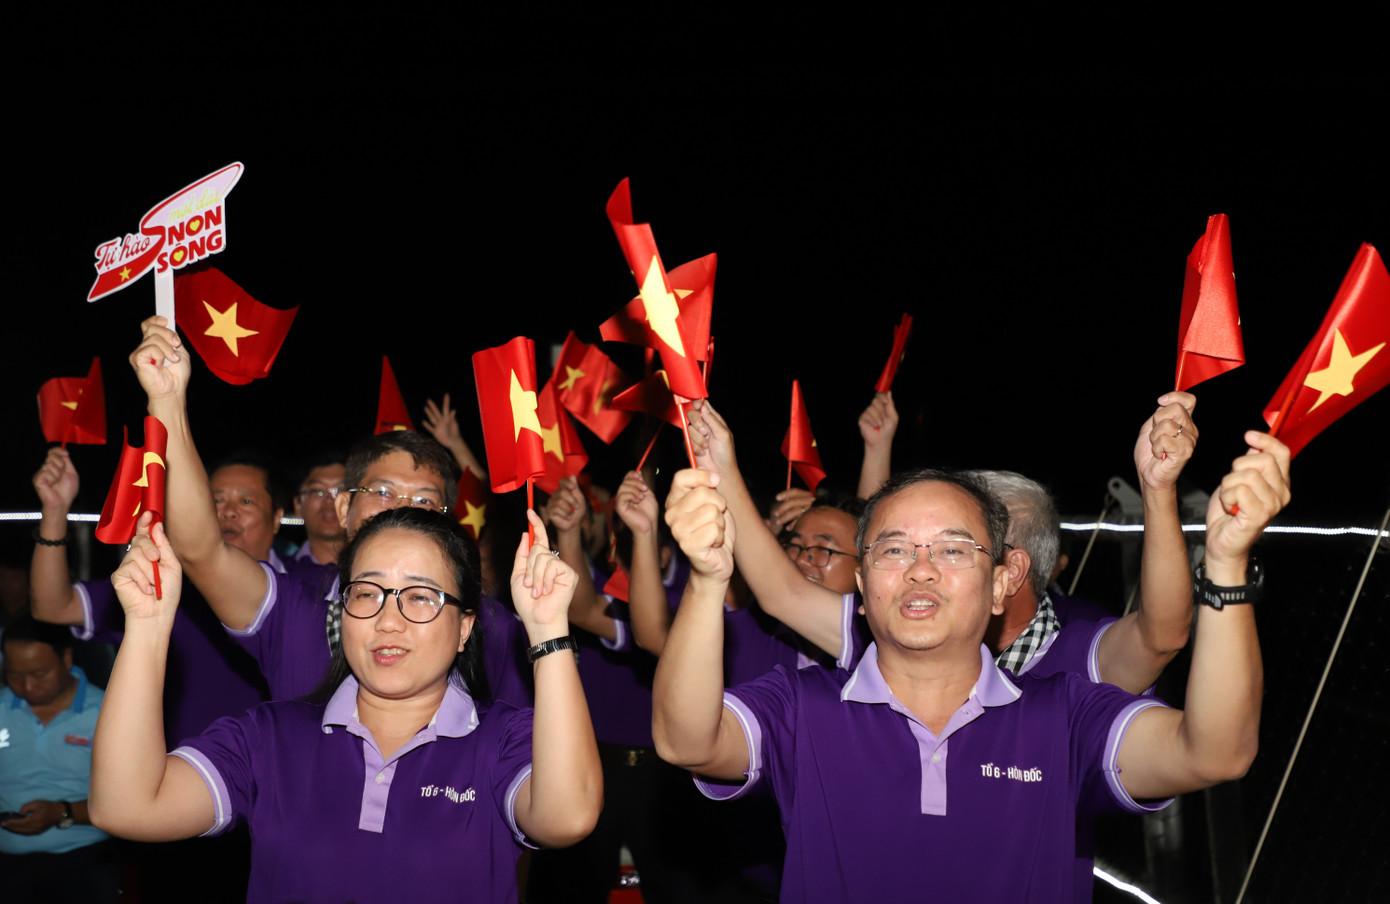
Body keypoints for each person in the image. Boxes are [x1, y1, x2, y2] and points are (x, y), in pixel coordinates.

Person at [652, 431, 1287, 902]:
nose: (921, 568)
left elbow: (1216, 753)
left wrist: (1226, 568)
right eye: (895, 549)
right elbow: (687, 739)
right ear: (864, 589)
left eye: (953, 550)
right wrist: (709, 581)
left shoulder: (1066, 716)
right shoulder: (801, 706)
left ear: (1003, 581)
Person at [90, 507, 602, 903]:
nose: (388, 620)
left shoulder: (504, 738)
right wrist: (148, 627)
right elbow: (127, 807)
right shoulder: (269, 736)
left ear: (465, 626)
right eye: (367, 593)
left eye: (421, 596)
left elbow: (567, 818)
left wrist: (549, 631)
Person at [128, 317, 531, 708]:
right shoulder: (294, 608)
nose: (404, 510)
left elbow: (532, 753)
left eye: (425, 500)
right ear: (343, 506)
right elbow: (202, 550)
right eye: (383, 491)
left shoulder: (488, 626)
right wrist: (166, 400)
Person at [684, 393, 1199, 695]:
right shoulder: (897, 635)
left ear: (1009, 571)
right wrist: (723, 472)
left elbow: (1162, 635)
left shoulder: (1079, 659)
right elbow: (781, 593)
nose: (920, 566)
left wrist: (1157, 490)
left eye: (954, 543)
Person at [1, 615, 118, 904]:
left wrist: (62, 813)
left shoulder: (109, 712)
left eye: (39, 674)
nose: (26, 687)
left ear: (66, 658)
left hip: (83, 859)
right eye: (15, 675)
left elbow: (129, 801)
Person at [288, 452, 348, 572]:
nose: (330, 500)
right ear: (298, 505)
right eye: (318, 491)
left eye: (340, 490)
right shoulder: (280, 574)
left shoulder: (376, 568)